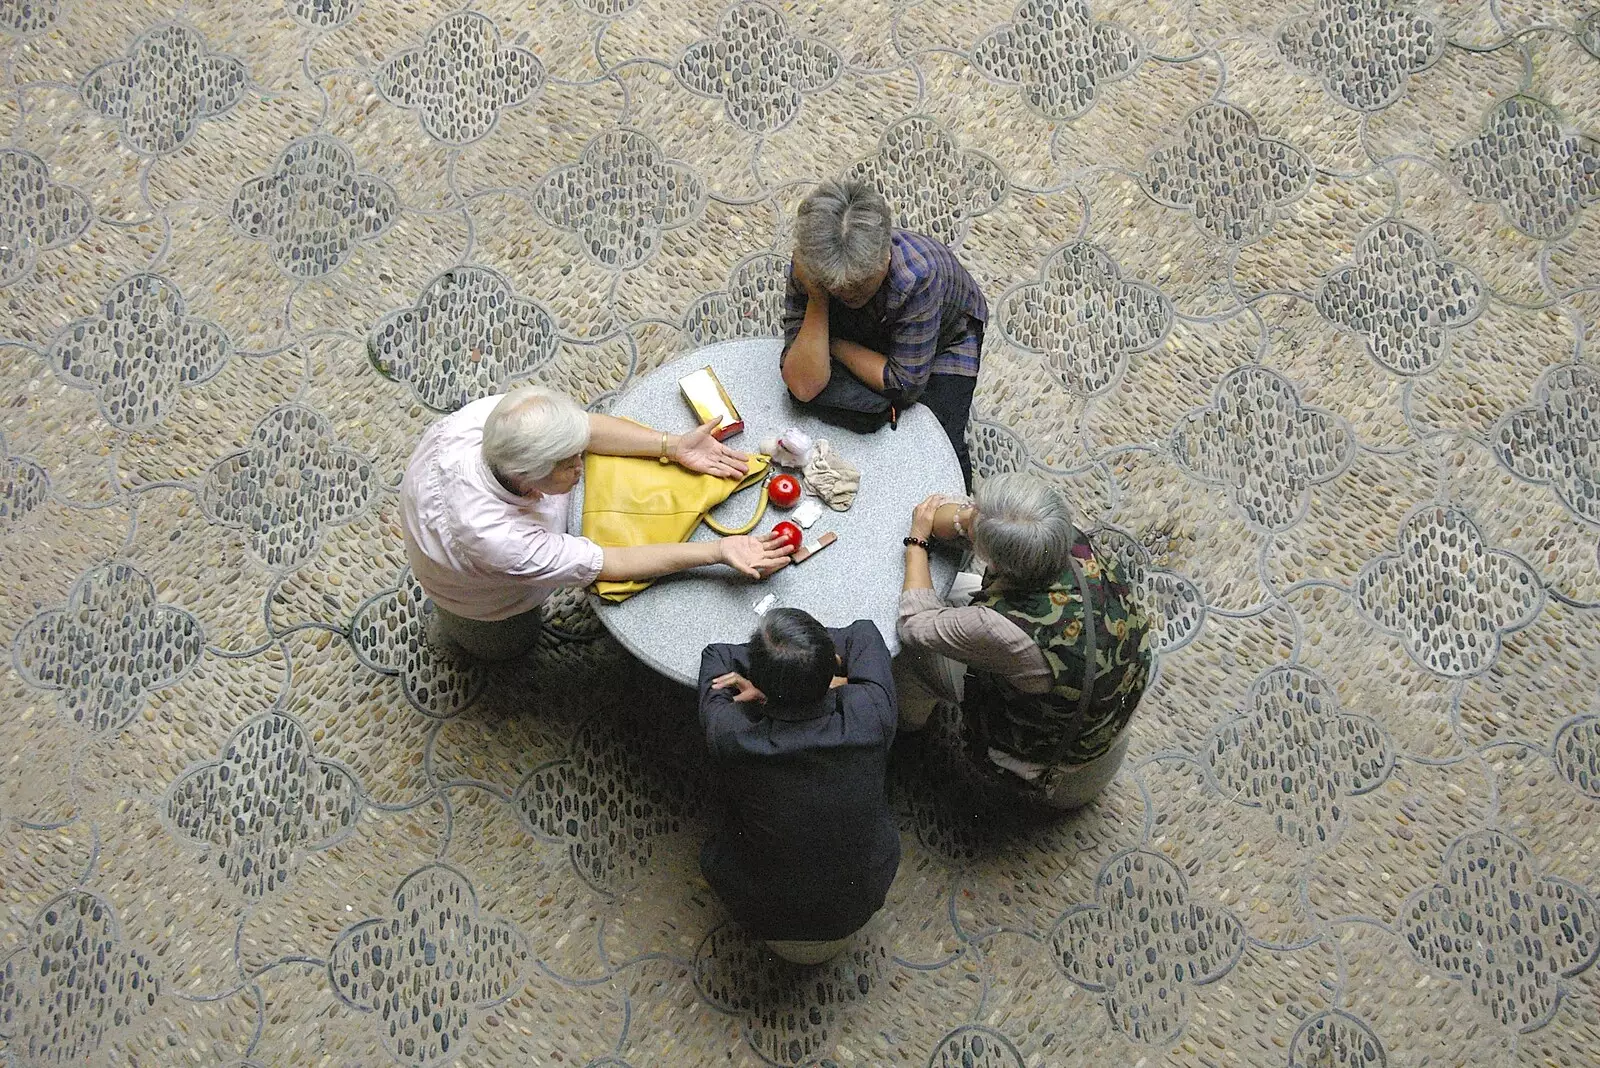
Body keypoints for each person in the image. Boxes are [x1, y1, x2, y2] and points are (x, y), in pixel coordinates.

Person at [400, 385, 794, 661]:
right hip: (477, 596)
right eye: (569, 464)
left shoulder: (498, 421)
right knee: (506, 645)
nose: (581, 466)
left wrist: (672, 446)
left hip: (453, 533)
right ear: (527, 476)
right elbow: (609, 563)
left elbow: (586, 428)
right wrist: (717, 550)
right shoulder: (500, 540)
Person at [896, 472, 1153, 813]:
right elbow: (961, 524)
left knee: (908, 657)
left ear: (998, 562)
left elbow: (914, 622)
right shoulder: (1064, 541)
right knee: (957, 593)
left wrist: (917, 540)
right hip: (1100, 699)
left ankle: (906, 724)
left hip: (1051, 757)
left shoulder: (1001, 626)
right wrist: (966, 520)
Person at [697, 610, 900, 965]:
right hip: (858, 902)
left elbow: (716, 654)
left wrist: (775, 664)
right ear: (831, 673)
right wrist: (806, 651)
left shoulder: (730, 733)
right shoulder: (871, 713)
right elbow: (863, 632)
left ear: (757, 681)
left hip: (760, 912)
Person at [780, 179, 987, 490]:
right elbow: (803, 385)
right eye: (837, 287)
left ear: (885, 257)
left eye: (859, 285)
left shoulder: (917, 276)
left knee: (937, 442)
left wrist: (831, 342)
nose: (848, 293)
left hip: (946, 340)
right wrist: (819, 299)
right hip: (867, 332)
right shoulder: (816, 266)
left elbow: (904, 383)